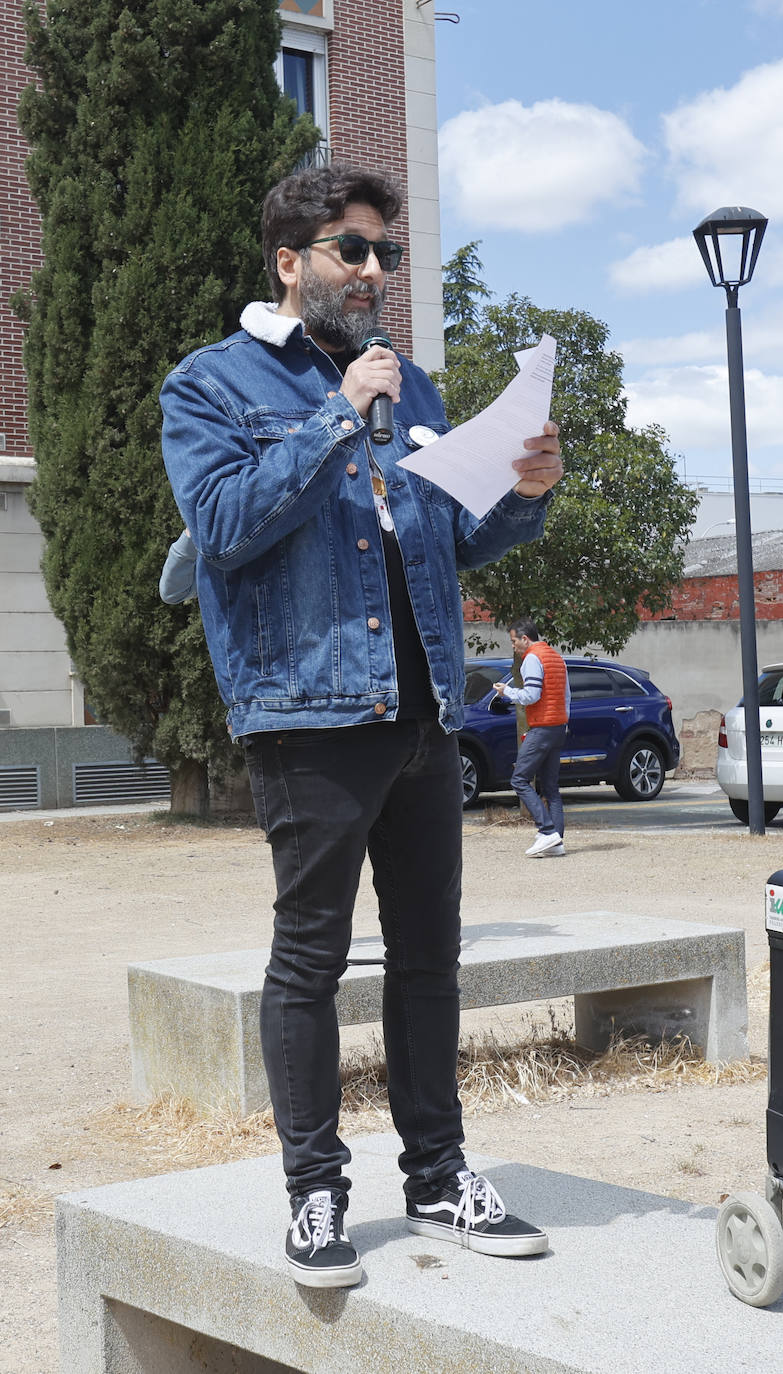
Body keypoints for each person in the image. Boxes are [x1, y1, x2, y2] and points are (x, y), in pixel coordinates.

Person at [159, 163, 563, 1289]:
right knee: (310, 961)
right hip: (310, 714)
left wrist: (524, 492)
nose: (376, 271)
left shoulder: (416, 389)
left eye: (386, 251)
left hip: (429, 709)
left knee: (431, 958)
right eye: (352, 248)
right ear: (291, 263)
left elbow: (448, 540)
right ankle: (314, 1193)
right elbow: (228, 527)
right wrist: (338, 418)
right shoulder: (211, 385)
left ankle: (437, 1179)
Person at [493, 619, 570, 857]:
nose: (513, 646)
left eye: (514, 641)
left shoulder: (532, 658)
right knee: (551, 787)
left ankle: (547, 832)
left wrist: (506, 692)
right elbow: (567, 695)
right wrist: (564, 723)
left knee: (519, 779)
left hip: (542, 727)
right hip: (558, 726)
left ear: (525, 638)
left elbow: (531, 695)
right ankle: (556, 842)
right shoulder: (556, 657)